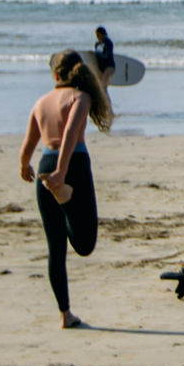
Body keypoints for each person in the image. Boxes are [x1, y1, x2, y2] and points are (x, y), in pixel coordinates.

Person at [19, 49, 112, 329]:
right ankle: (66, 199)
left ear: (55, 75)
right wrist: (62, 173)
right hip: (73, 165)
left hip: (45, 167)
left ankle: (65, 314)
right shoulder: (80, 97)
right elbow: (71, 133)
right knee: (85, 243)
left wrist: (24, 165)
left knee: (55, 249)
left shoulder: (41, 102)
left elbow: (28, 144)